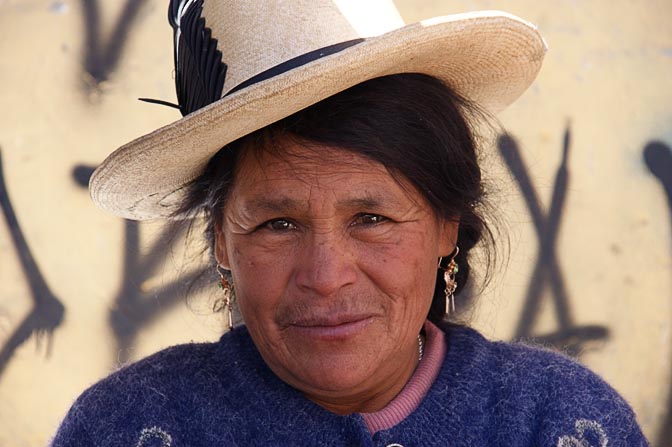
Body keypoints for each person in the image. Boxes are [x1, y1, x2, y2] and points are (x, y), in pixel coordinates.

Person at [52, 0, 649, 446]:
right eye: (278, 224)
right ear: (222, 244)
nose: (326, 275)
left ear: (446, 227)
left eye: (371, 217)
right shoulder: (129, 426)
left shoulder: (557, 421)